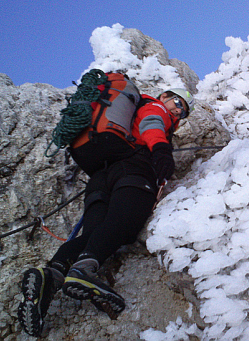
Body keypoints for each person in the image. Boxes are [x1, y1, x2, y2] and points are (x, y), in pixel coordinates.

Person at [17, 86, 193, 337]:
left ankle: (51, 276)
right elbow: (152, 124)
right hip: (134, 171)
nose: (177, 109)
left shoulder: (122, 118)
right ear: (164, 96)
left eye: (183, 111)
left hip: (100, 178)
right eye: (177, 102)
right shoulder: (155, 106)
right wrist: (162, 152)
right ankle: (83, 272)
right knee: (123, 224)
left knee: (92, 234)